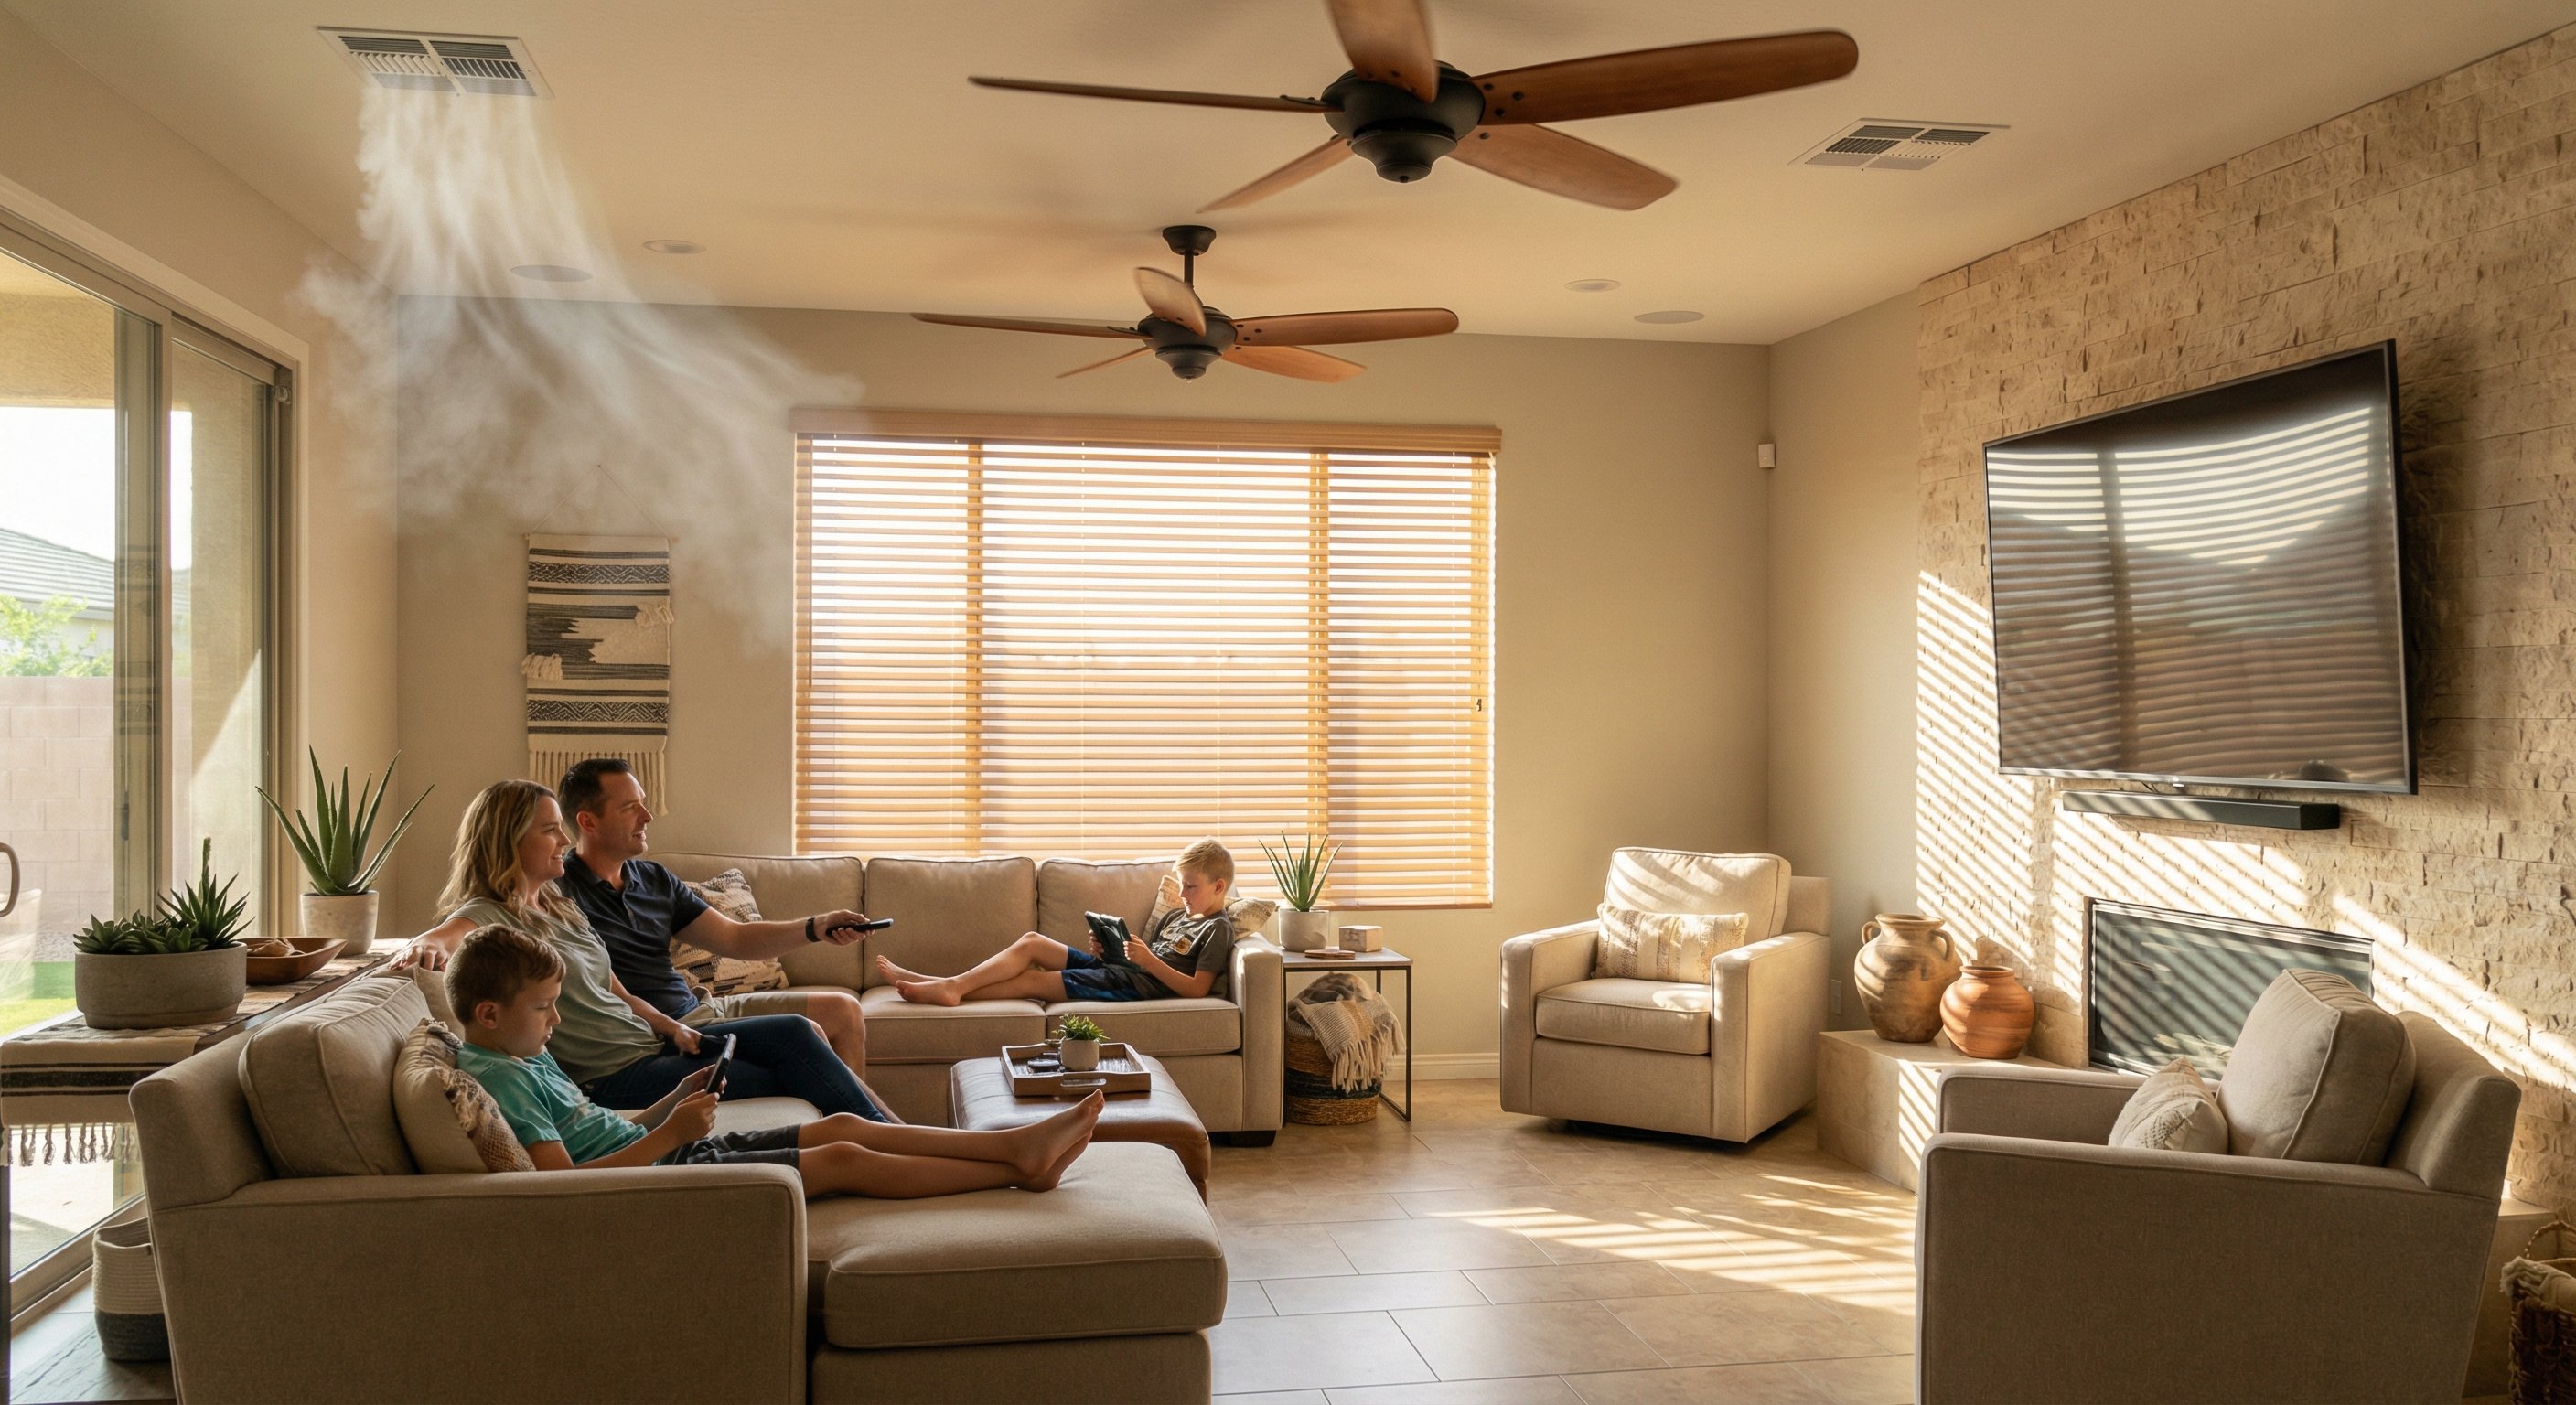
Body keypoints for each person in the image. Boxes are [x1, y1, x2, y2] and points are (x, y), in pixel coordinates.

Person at [446, 924, 1097, 1195]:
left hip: (666, 1148)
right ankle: (1013, 1167)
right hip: (662, 1176)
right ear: (489, 1014)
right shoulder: (499, 1074)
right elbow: (560, 1185)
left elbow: (604, 1127)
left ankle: (1014, 1145)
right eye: (545, 1008)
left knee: (845, 1126)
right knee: (844, 1157)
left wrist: (674, 1102)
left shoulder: (523, 1056)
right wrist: (673, 1132)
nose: (556, 1021)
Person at [398, 779, 894, 1121]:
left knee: (797, 1036)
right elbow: (449, 932)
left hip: (653, 1046)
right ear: (508, 839)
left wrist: (673, 1028)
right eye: (551, 829)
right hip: (613, 1078)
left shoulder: (559, 905)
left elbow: (618, 992)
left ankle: (889, 1136)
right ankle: (889, 1139)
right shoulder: (492, 915)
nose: (563, 840)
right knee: (794, 1052)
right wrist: (423, 944)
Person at [555, 757, 871, 1078]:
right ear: (589, 822)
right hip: (658, 1030)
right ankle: (859, 1125)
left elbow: (735, 938)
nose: (647, 816)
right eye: (630, 807)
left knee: (843, 1011)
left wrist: (816, 927)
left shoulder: (654, 879)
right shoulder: (559, 895)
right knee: (804, 1033)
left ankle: (854, 1127)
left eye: (644, 804)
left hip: (699, 1008)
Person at [878, 839, 1240, 1005]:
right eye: (1182, 884)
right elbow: (1137, 960)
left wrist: (1146, 961)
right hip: (1121, 970)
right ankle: (948, 985)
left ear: (1219, 886)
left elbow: (1197, 989)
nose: (1184, 893)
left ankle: (944, 987)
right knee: (1033, 941)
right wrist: (1110, 951)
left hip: (1133, 986)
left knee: (1032, 980)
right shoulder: (1177, 915)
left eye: (1191, 886)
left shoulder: (1216, 928)